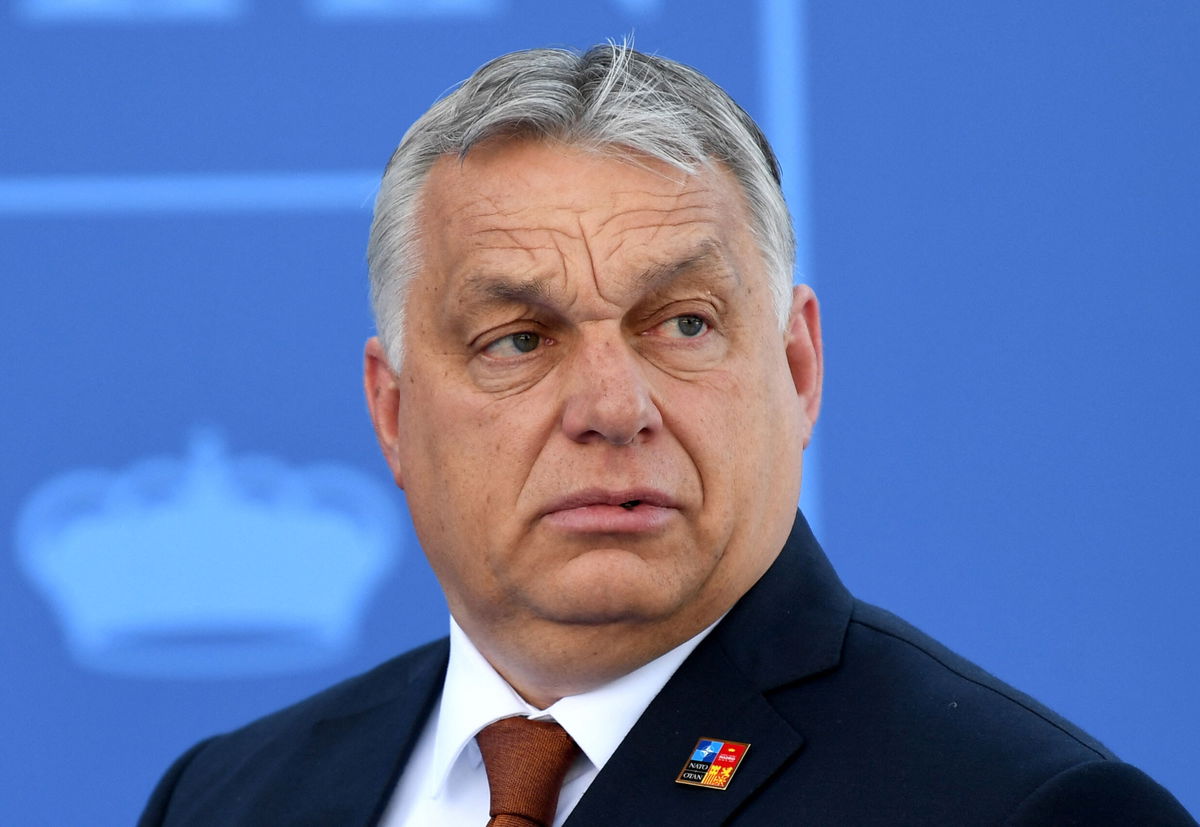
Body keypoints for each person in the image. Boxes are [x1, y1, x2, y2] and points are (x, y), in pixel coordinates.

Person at [139, 44, 1195, 826]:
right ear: (394, 411)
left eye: (683, 323)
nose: (612, 403)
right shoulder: (225, 796)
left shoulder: (1030, 810)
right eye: (517, 339)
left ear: (797, 367)